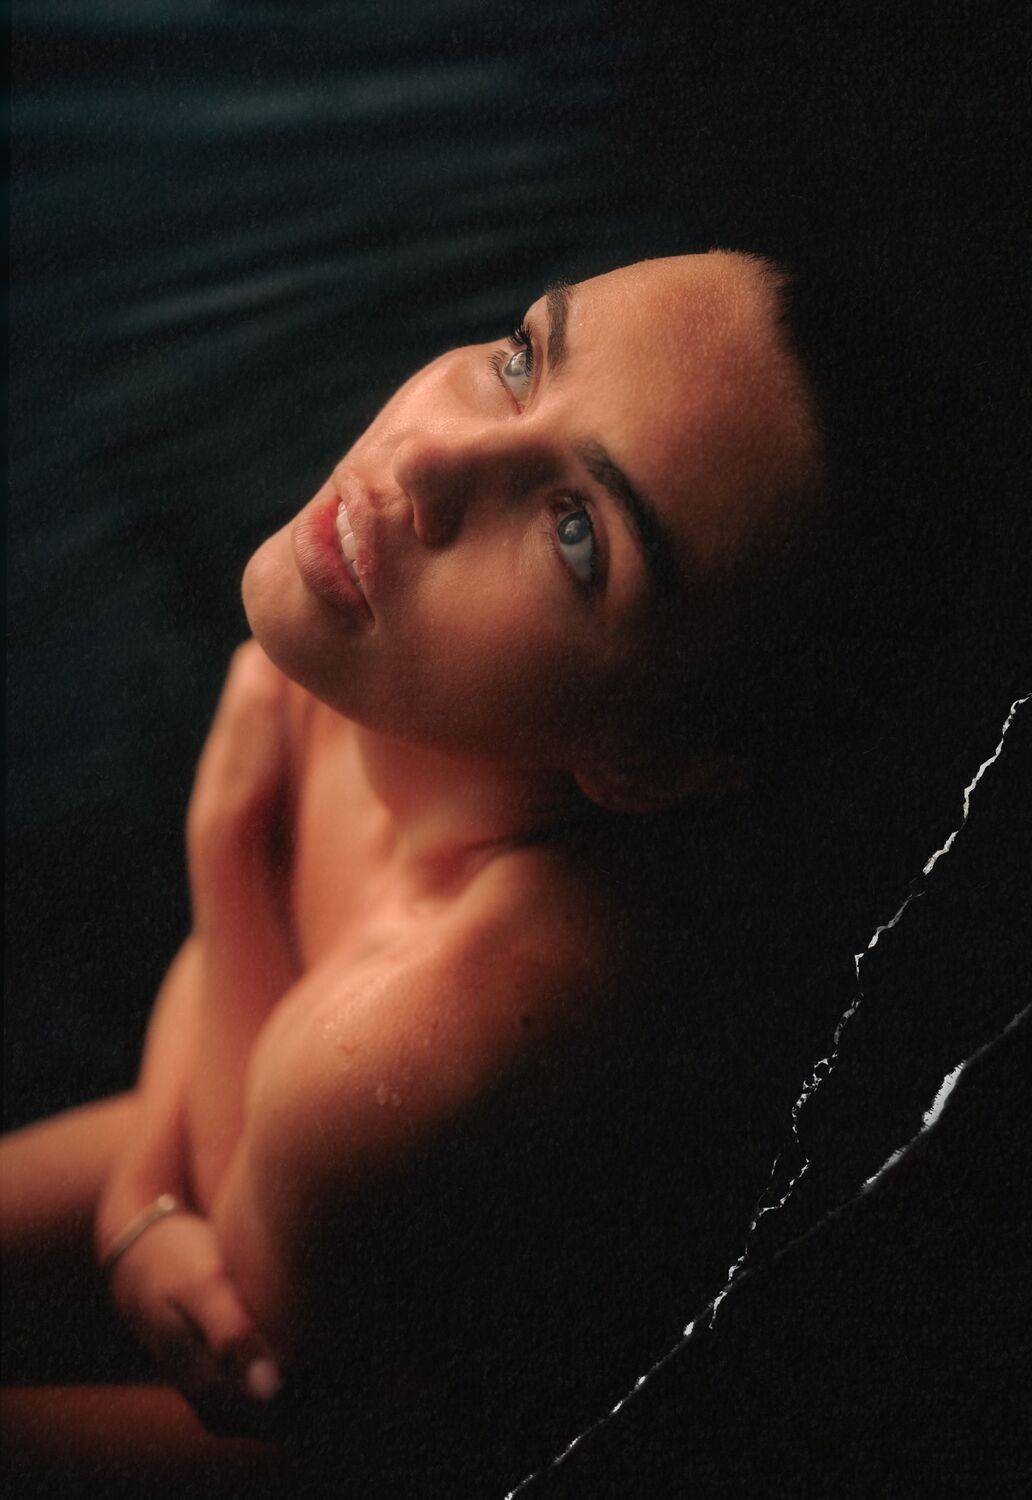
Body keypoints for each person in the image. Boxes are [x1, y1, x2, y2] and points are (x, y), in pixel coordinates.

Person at [0, 250, 969, 1491]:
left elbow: (246, 1360)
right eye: (521, 361)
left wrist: (226, 841)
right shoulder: (387, 644)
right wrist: (136, 1198)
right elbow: (223, 1049)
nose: (426, 462)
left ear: (647, 760)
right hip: (276, 1148)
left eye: (576, 535)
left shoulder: (440, 1027)